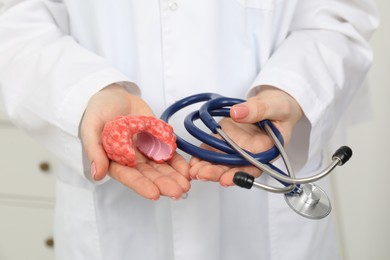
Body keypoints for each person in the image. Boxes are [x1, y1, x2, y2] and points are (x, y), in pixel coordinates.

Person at [0, 0, 378, 259]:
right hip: (117, 218)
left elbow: (338, 15)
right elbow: (15, 23)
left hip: (267, 218)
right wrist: (86, 94)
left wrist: (292, 89)